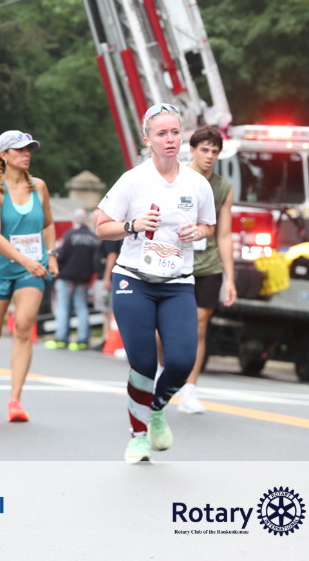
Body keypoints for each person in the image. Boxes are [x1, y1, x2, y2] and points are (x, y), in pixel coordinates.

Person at [95, 104, 216, 463]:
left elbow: (209, 225)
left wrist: (198, 232)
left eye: (175, 132)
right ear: (147, 140)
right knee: (144, 363)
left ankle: (157, 408)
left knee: (181, 361)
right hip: (134, 279)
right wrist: (132, 225)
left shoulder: (197, 183)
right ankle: (137, 437)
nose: (169, 139)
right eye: (161, 133)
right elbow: (101, 227)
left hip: (178, 282)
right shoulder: (133, 180)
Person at [0, 130, 57, 423]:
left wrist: (51, 254)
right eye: (20, 149)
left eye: (28, 149)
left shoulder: (39, 187)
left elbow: (48, 224)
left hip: (31, 271)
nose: (26, 154)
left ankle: (15, 399)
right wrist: (26, 260)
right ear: (4, 155)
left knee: (23, 327)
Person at [176, 125, 238, 413]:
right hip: (175, 261)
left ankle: (189, 389)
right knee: (163, 330)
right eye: (204, 150)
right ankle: (163, 372)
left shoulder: (223, 188)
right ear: (192, 150)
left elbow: (224, 235)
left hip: (208, 264)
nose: (210, 156)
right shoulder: (175, 177)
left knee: (198, 326)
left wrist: (230, 278)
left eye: (215, 151)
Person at [45, 208, 99, 351]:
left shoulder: (69, 235)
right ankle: (83, 339)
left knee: (63, 307)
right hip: (83, 278)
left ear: (75, 219)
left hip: (66, 276)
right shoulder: (93, 237)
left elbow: (60, 255)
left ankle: (62, 338)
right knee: (82, 307)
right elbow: (95, 259)